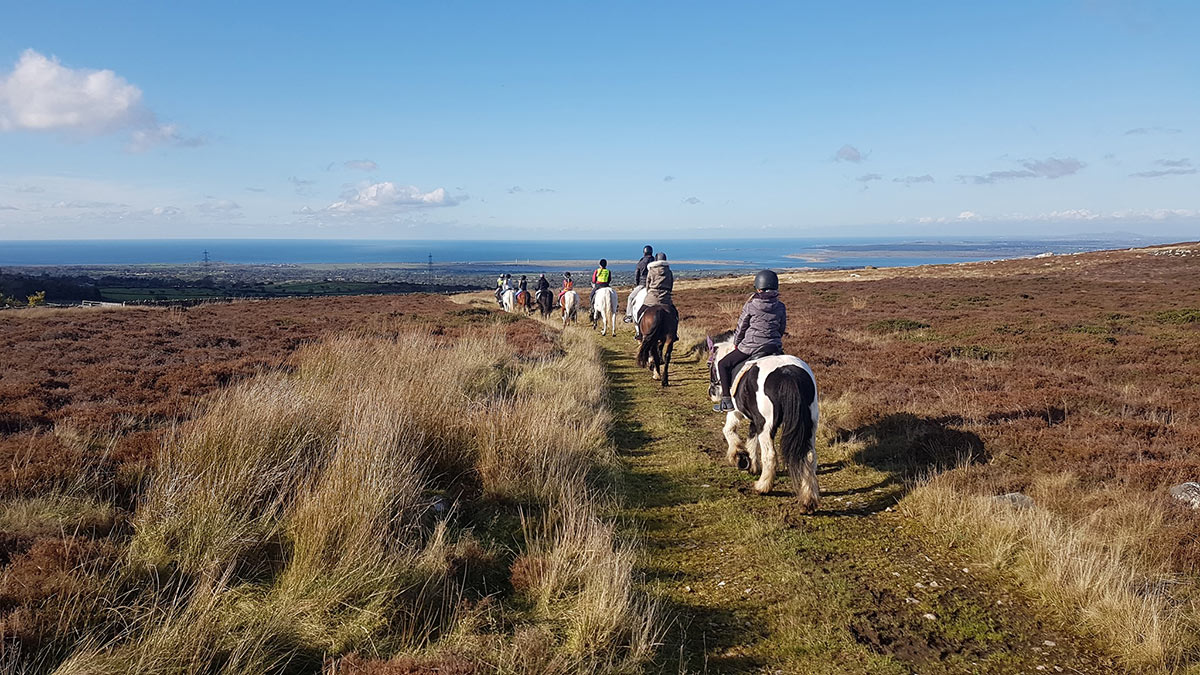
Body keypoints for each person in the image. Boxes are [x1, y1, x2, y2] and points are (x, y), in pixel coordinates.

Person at [713, 269, 785, 413]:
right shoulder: (781, 306)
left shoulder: (751, 305)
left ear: (758, 288)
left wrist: (737, 343)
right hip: (773, 347)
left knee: (723, 364)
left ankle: (726, 400)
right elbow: (781, 328)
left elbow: (741, 328)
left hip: (751, 347)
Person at [637, 252, 674, 340]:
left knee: (639, 313)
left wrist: (649, 292)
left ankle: (640, 334)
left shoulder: (651, 271)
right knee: (675, 315)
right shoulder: (669, 272)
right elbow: (671, 285)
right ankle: (674, 334)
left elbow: (648, 285)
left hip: (651, 299)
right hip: (665, 299)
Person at [625, 245, 655, 323]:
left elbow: (637, 274)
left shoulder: (641, 262)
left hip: (642, 284)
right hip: (653, 285)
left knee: (631, 298)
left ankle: (629, 316)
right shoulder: (655, 262)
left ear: (644, 252)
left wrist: (637, 284)